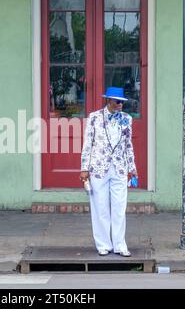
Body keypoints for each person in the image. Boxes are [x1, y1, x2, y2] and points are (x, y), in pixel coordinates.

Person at [80, 87, 138, 257]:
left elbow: (128, 145)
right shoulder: (94, 118)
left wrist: (132, 168)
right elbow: (88, 144)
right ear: (108, 101)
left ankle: (120, 244)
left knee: (119, 207)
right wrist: (84, 168)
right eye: (117, 101)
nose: (120, 104)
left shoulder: (126, 119)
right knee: (100, 207)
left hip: (119, 168)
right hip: (98, 168)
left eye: (122, 102)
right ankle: (103, 244)